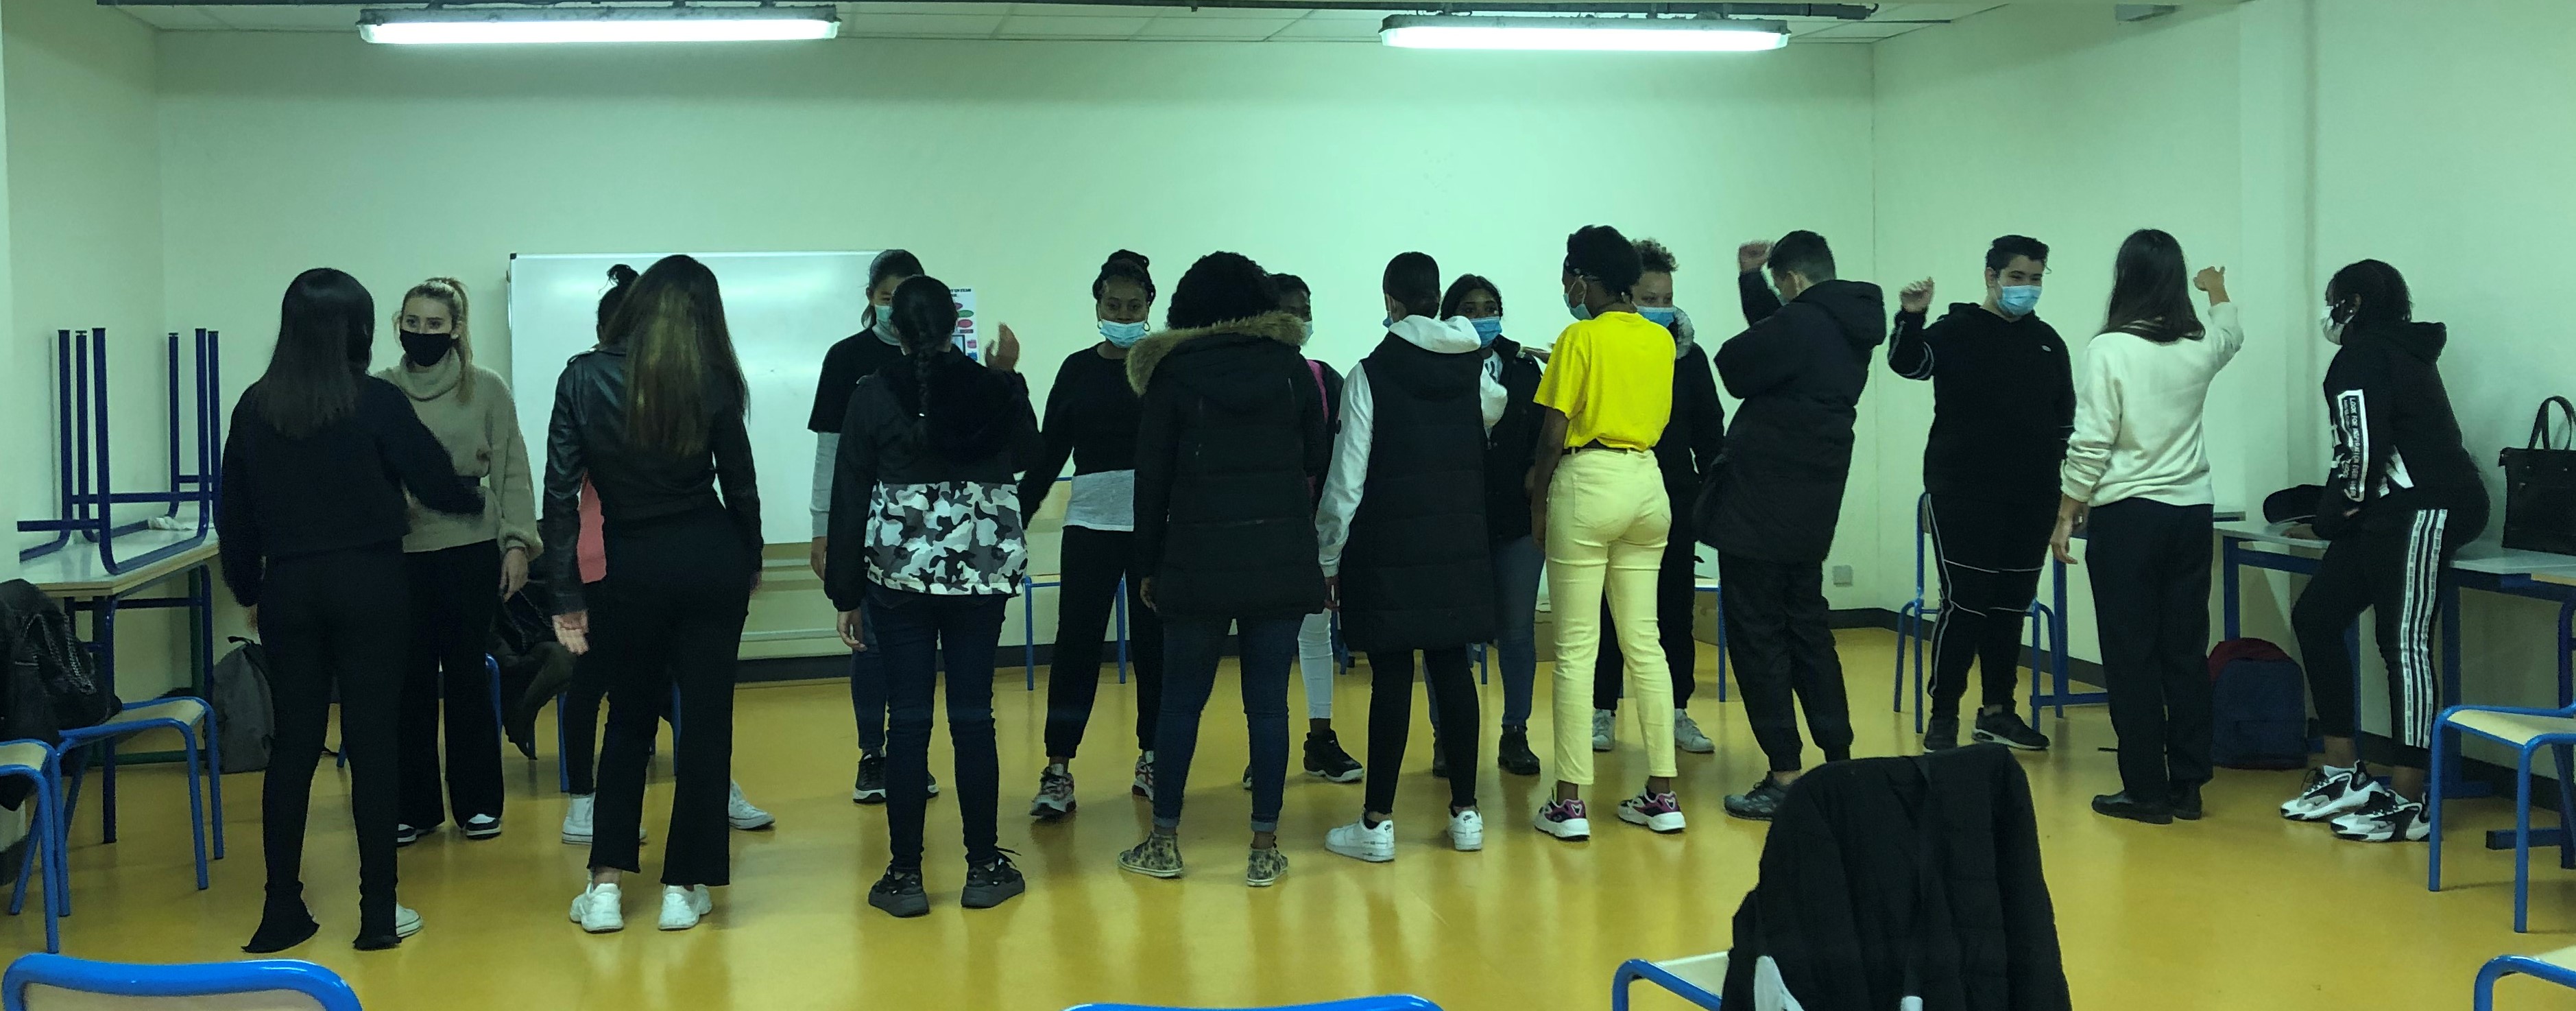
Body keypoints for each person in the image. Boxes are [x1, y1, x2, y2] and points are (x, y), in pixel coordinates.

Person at [218, 267, 484, 952]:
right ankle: (378, 914)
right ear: (361, 329)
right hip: (371, 582)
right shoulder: (376, 400)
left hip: (290, 588)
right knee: (373, 744)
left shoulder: (254, 405)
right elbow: (434, 481)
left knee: (294, 747)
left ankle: (281, 911)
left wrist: (250, 591)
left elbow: (233, 515)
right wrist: (475, 495)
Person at [550, 254, 761, 933]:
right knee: (706, 723)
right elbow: (741, 485)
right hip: (710, 559)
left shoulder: (582, 376)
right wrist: (749, 561)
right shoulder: (712, 376)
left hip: (630, 567)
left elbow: (559, 497)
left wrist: (565, 594)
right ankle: (682, 888)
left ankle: (605, 888)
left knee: (629, 720)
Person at [830, 276, 1039, 916]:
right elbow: (1028, 453)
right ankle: (983, 867)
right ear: (957, 325)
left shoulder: (870, 394)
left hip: (898, 577)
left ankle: (904, 876)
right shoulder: (993, 388)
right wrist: (1009, 376)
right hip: (978, 573)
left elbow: (850, 493)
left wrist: (845, 591)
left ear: (894, 327)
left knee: (908, 720)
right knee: (974, 716)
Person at [1118, 252, 1329, 887]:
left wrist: (1147, 564)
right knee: (1268, 706)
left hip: (1196, 559)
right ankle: (1264, 847)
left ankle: (1164, 842)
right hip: (1278, 555)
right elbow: (1317, 455)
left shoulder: (1172, 373)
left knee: (1181, 703)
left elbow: (1151, 480)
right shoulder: (1291, 369)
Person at [2281, 259, 2486, 843]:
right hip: (2387, 510)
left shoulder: (2365, 355)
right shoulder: (2394, 350)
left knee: (2403, 643)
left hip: (2424, 508)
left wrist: (2329, 518)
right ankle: (2343, 772)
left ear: (2351, 305)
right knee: (2316, 617)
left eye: (2332, 301)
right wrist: (2332, 517)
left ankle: (2409, 799)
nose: (2327, 314)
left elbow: (2359, 453)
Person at [1314, 252, 1500, 861]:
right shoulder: (1472, 369)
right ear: (1436, 297)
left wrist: (1328, 555)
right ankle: (1466, 814)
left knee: (1390, 679)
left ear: (1390, 301)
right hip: (1457, 545)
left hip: (1387, 549)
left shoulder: (1369, 373)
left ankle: (1377, 824)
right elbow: (1494, 408)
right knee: (1453, 670)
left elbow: (1347, 479)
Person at [2053, 229, 2241, 826]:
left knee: (2130, 655)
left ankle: (2144, 790)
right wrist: (2216, 290)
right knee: (2183, 651)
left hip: (2128, 516)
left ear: (2125, 279)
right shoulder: (2198, 344)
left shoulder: (2109, 348)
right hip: (2191, 514)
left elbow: (2091, 439)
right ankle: (2188, 785)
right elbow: (2231, 334)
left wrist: (2066, 510)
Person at [1713, 231, 1886, 821]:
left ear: (1790, 280)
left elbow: (1735, 365)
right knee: (1809, 632)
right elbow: (1782, 338)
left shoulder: (1801, 324)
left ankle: (1784, 773)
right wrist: (1750, 280)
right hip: (1813, 504)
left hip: (1759, 504)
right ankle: (1838, 763)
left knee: (1758, 637)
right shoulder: (1849, 322)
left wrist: (1751, 284)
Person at [1526, 225, 1686, 842]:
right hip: (1646, 483)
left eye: (1569, 275)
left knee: (1575, 649)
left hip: (1587, 483)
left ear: (1584, 279)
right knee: (1645, 643)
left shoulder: (1579, 338)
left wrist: (1538, 502)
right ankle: (1662, 795)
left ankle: (1568, 805)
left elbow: (1552, 434)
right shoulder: (1659, 340)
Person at [1886, 236, 2069, 752]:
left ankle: (1997, 713)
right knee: (1966, 604)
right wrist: (1911, 316)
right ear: (1991, 277)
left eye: (2035, 279)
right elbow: (1909, 364)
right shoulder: (1956, 329)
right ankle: (1943, 713)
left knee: (2010, 607)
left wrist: (2068, 493)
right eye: (2017, 278)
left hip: (2032, 496)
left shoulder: (2047, 342)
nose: (2026, 288)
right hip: (1963, 491)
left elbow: (2064, 420)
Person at [374, 277, 535, 846]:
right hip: (401, 550)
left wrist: (517, 543)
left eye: (434, 324)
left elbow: (513, 471)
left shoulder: (486, 388)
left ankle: (478, 804)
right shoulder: (380, 390)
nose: (421, 332)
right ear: (398, 324)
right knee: (408, 680)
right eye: (412, 322)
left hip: (470, 545)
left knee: (468, 677)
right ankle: (413, 807)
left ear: (456, 329)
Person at [1020, 251, 1168, 817]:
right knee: (1076, 646)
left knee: (1155, 645)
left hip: (1155, 527)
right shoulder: (1077, 369)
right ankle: (1058, 768)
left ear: (1149, 306)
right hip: (1089, 525)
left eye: (1133, 306)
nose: (1123, 315)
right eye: (1113, 305)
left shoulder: (1164, 365)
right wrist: (1017, 516)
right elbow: (1049, 451)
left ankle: (1153, 757)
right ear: (1098, 306)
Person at [809, 249, 937, 804]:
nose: (894, 309)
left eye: (904, 298)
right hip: (861, 522)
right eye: (886, 298)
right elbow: (829, 451)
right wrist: (822, 527)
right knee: (870, 643)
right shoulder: (846, 358)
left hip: (927, 530)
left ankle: (912, 756)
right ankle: (872, 754)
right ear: (871, 299)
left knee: (916, 647)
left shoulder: (940, 357)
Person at [1591, 239, 1726, 759]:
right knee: (1607, 611)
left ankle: (1676, 711)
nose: (1662, 307)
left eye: (1668, 298)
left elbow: (1710, 435)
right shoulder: (1603, 348)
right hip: (1612, 493)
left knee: (1673, 611)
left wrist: (1710, 501)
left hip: (1673, 501)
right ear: (1627, 296)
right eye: (1650, 298)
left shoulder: (1690, 360)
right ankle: (1602, 710)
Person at [1445, 274, 1546, 777]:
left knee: (1517, 633)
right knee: (1452, 637)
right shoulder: (1438, 364)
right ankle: (1448, 737)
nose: (1483, 317)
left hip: (1516, 520)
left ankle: (1515, 731)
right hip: (1456, 520)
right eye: (1470, 308)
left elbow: (1546, 433)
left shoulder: (1525, 367)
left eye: (1490, 307)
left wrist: (1535, 477)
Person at [1268, 273, 1365, 785]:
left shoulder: (1326, 378)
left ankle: (1320, 739)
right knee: (1265, 641)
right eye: (1289, 310)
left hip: (1313, 526)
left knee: (1315, 631)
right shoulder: (1244, 379)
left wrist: (1332, 535)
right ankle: (1264, 746)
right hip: (1260, 530)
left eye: (1306, 310)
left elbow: (1344, 459)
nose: (1300, 320)